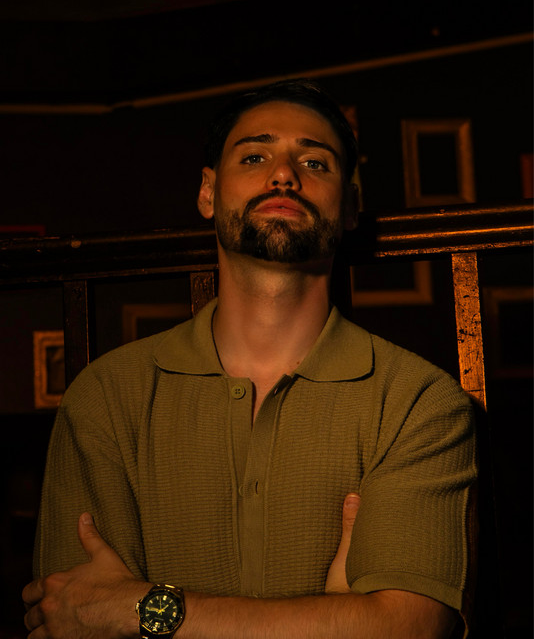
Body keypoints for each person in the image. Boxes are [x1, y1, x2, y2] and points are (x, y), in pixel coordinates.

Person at [23, 79, 477, 638]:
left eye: (315, 162)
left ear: (350, 206)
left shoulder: (418, 401)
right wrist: (337, 621)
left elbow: (408, 628)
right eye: (255, 156)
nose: (284, 174)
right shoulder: (106, 396)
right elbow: (71, 618)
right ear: (208, 192)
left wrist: (140, 609)